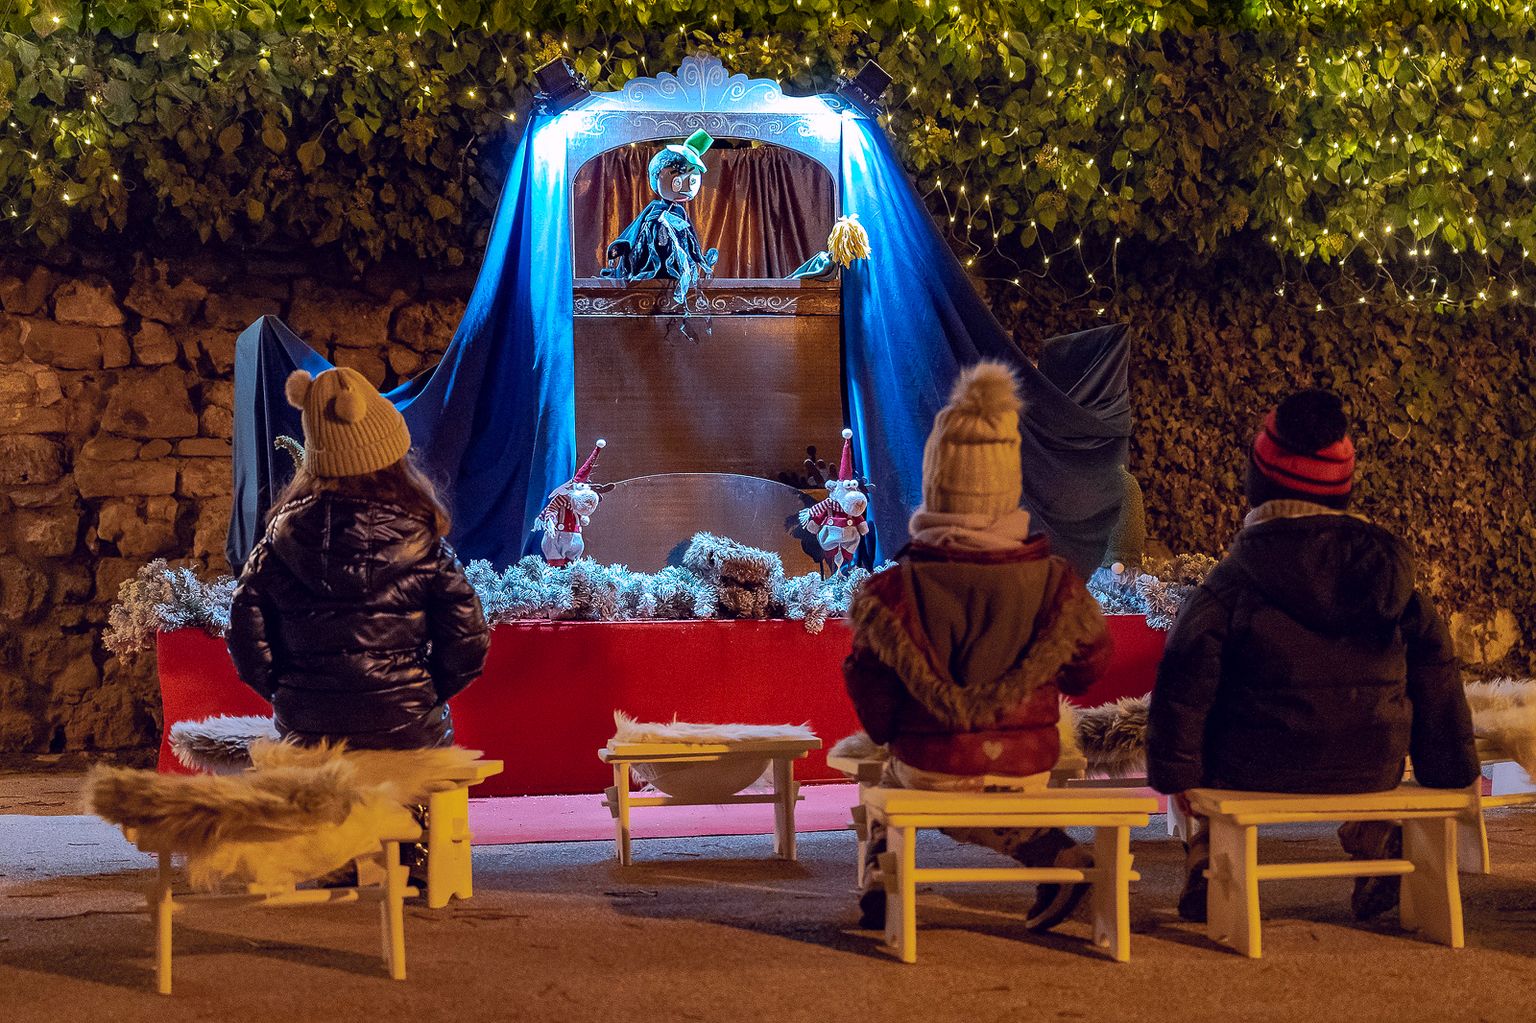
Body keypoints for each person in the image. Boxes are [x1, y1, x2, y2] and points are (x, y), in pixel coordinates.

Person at [1147, 388, 1478, 922]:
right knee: (1356, 753)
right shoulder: (1387, 575)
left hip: (1254, 766)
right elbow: (1436, 673)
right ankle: (1374, 835)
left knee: (1204, 748)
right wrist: (1450, 772)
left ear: (1260, 482)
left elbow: (1184, 680)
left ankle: (1206, 853)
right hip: (1372, 764)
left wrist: (1177, 774)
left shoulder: (1231, 582)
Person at [843, 361, 1113, 932]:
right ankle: (1047, 850)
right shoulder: (1056, 582)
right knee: (979, 785)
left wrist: (891, 730)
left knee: (889, 785)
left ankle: (882, 879)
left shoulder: (895, 592)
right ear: (1009, 486)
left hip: (933, 764)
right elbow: (1089, 664)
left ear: (935, 484)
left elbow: (871, 686)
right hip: (1028, 765)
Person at [227, 367, 490, 751]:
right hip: (410, 732)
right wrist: (423, 691)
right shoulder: (425, 543)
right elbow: (468, 642)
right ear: (394, 456)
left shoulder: (276, 545)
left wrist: (288, 692)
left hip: (308, 733)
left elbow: (246, 640)